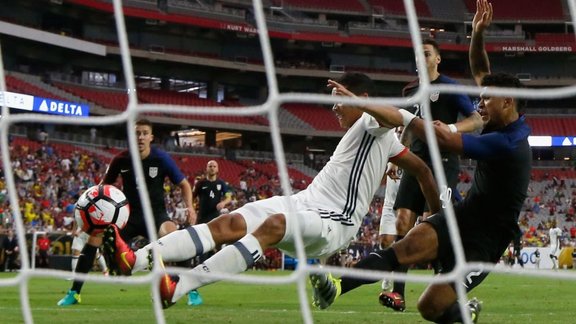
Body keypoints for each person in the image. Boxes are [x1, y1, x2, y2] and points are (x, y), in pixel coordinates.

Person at [103, 72, 441, 309]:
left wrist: (435, 217)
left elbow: (397, 120)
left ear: (362, 100)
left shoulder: (372, 122)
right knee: (230, 223)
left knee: (274, 225)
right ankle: (136, 260)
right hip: (305, 202)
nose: (334, 107)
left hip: (335, 221)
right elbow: (423, 170)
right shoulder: (381, 138)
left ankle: (178, 288)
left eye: (340, 100)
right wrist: (434, 210)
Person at [309, 2, 531, 322]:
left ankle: (463, 313)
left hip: (486, 242)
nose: (479, 103)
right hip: (463, 217)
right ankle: (337, 287)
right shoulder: (503, 118)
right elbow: (482, 69)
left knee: (430, 307)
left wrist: (396, 115)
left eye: (486, 99)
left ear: (507, 102)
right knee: (405, 246)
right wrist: (477, 35)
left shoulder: (507, 143)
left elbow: (443, 139)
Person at [387, 38, 484, 310]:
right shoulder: (410, 90)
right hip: (415, 163)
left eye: (426, 53)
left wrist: (450, 129)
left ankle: (444, 294)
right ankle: (398, 293)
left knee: (434, 223)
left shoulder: (450, 86)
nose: (422, 57)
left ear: (437, 59)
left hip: (443, 163)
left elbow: (476, 119)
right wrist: (396, 156)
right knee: (402, 221)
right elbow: (406, 126)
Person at [57, 119, 196, 306]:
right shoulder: (121, 159)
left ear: (151, 137)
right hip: (127, 216)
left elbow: (184, 184)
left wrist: (190, 207)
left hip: (156, 215)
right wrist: (87, 217)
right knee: (94, 239)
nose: (140, 137)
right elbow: (102, 188)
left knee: (178, 238)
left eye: (145, 133)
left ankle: (191, 290)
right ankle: (74, 293)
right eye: (137, 133)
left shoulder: (161, 159)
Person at [187, 160, 232, 305]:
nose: (212, 168)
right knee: (202, 250)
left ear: (217, 169)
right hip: (201, 221)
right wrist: (191, 210)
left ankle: (208, 272)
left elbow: (229, 196)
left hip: (216, 222)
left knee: (216, 248)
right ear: (206, 168)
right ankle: (200, 275)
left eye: (214, 166)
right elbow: (192, 197)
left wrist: (223, 203)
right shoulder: (200, 184)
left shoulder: (222, 184)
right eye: (209, 166)